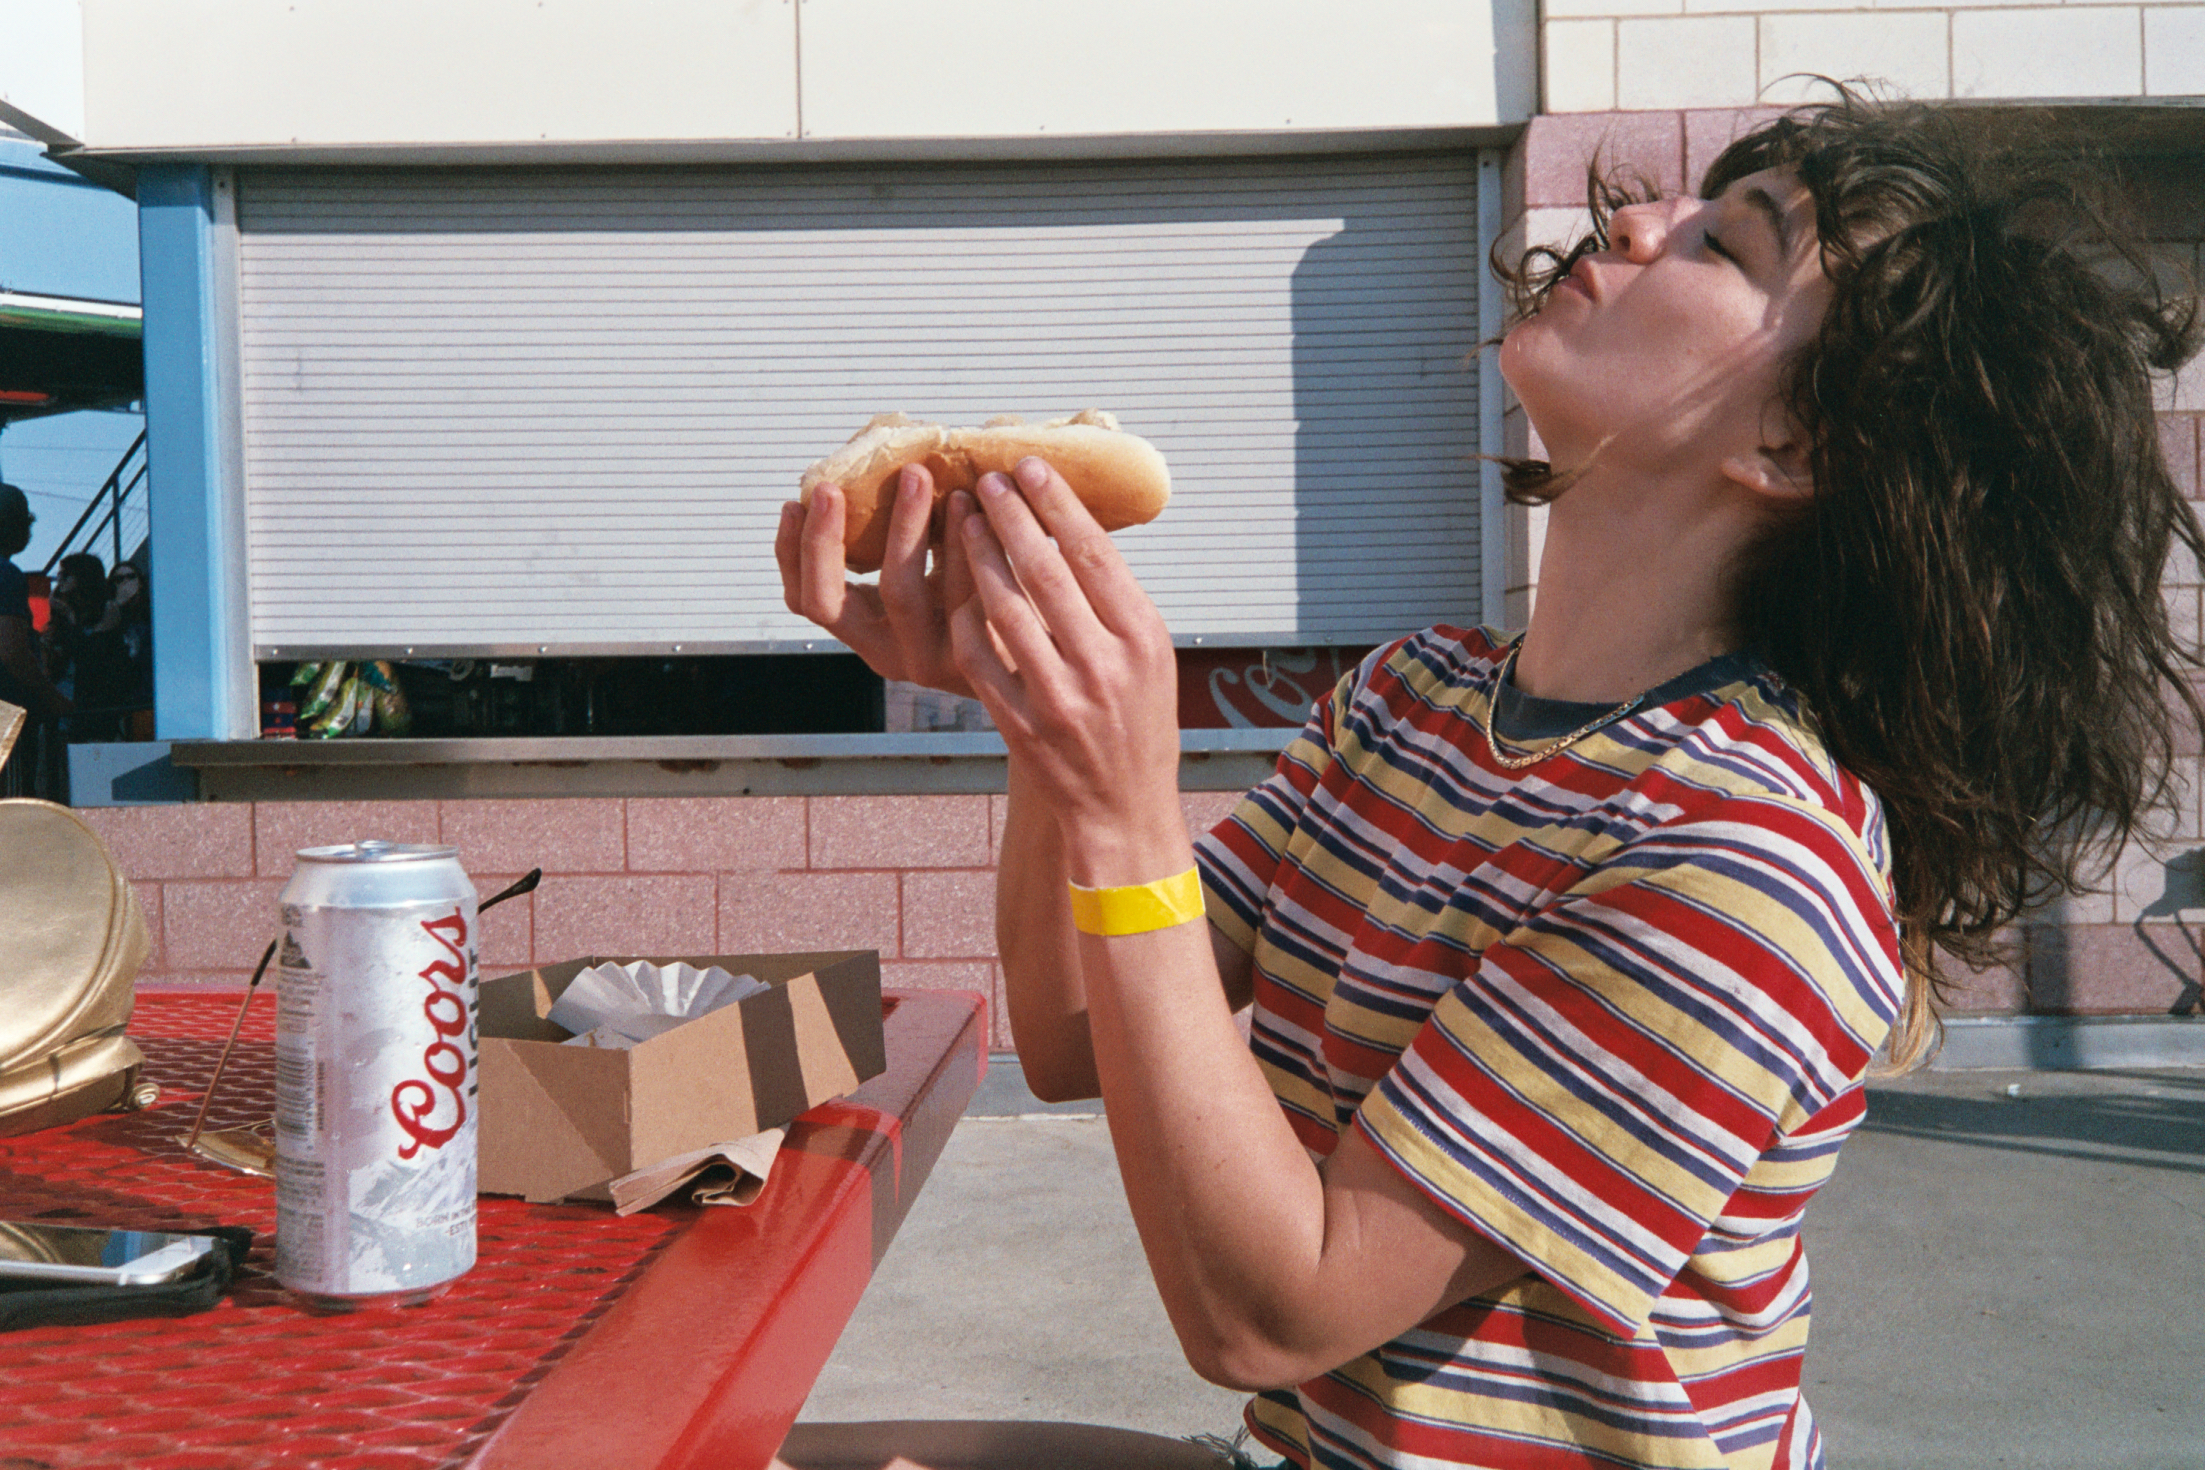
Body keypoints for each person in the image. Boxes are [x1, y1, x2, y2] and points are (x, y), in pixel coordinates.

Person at [773, 91, 2202, 1470]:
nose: (1641, 222)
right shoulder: (1416, 702)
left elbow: (1274, 1308)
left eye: (1727, 243)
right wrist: (1045, 731)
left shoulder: (1751, 858)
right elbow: (1083, 1027)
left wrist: (1123, 800)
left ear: (1796, 443)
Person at [0, 484, 71, 796]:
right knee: (12, 810)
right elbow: (11, 649)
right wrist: (50, 695)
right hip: (7, 719)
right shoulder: (6, 575)